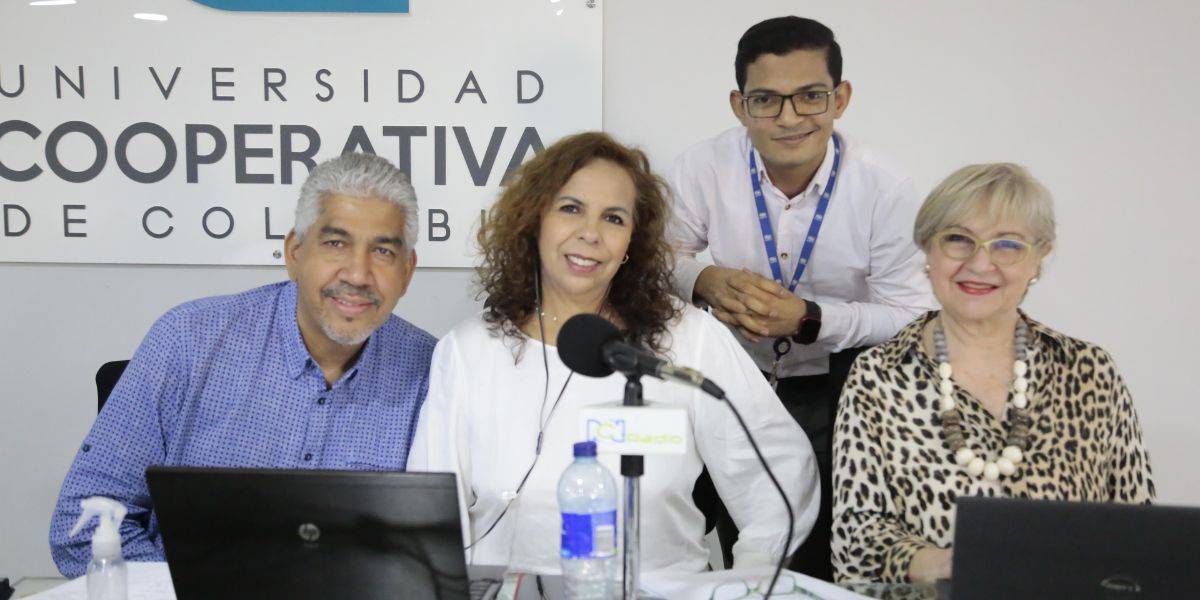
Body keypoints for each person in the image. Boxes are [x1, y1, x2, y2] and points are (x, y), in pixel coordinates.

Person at [407, 132, 819, 574]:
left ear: (630, 244)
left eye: (614, 218)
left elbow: (780, 472)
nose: (590, 233)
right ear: (534, 220)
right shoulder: (468, 350)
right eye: (571, 209)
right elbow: (430, 514)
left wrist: (749, 578)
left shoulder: (688, 339)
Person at [48, 152, 437, 577]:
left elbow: (437, 552)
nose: (358, 274)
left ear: (407, 271)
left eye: (382, 250)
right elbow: (80, 527)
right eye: (336, 243)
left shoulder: (435, 375)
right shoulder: (189, 340)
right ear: (294, 253)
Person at [668, 15, 935, 578]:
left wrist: (810, 319)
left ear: (841, 98)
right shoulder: (702, 166)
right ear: (740, 106)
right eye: (766, 100)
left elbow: (912, 314)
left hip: (839, 387)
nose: (789, 118)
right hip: (730, 380)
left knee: (826, 553)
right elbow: (651, 257)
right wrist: (703, 280)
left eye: (811, 96)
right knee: (737, 548)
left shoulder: (883, 186)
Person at [830, 163, 1156, 583]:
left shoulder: (1090, 370)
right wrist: (955, 564)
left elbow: (1137, 533)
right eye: (958, 239)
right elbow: (855, 545)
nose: (980, 263)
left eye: (1007, 244)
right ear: (927, 249)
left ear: (1039, 257)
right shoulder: (878, 376)